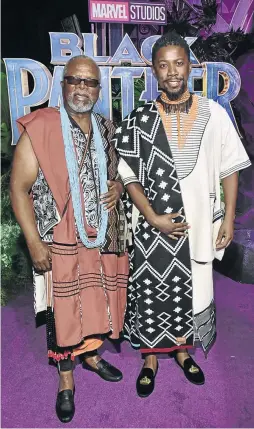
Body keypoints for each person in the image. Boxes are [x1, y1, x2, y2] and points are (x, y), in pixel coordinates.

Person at [113, 31, 251, 397]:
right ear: (154, 71)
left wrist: (229, 217)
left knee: (192, 289)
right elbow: (126, 174)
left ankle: (182, 351)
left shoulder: (214, 113)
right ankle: (150, 358)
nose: (172, 72)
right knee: (152, 290)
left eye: (178, 63)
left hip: (201, 224)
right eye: (163, 65)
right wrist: (152, 216)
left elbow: (230, 167)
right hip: (151, 226)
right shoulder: (140, 118)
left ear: (190, 66)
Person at [10, 55, 129, 422]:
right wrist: (33, 242)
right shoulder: (42, 126)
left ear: (97, 89)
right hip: (58, 238)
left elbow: (117, 173)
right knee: (62, 309)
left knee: (95, 301)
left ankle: (91, 356)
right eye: (74, 80)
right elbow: (18, 188)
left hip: (101, 236)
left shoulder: (107, 129)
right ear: (63, 86)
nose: (81, 88)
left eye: (89, 82)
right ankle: (65, 379)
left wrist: (118, 186)